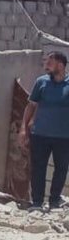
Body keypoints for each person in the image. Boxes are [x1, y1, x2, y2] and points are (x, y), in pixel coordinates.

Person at [21, 51, 69, 211]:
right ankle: (37, 203)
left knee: (61, 168)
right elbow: (31, 106)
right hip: (40, 134)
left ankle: (54, 201)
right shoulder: (41, 82)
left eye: (50, 62)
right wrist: (23, 129)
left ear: (61, 65)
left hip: (64, 137)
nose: (46, 65)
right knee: (38, 168)